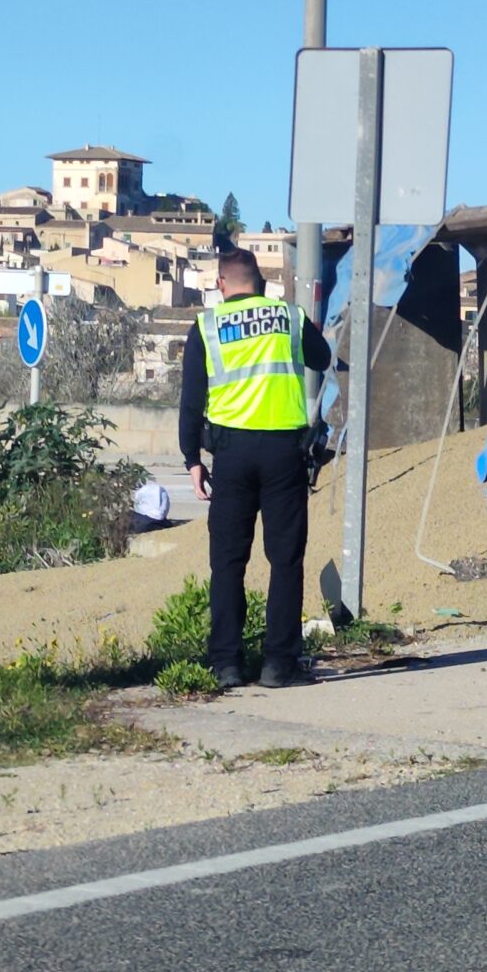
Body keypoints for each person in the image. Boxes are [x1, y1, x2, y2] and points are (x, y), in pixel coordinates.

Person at [180, 249, 333, 691]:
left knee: (228, 562)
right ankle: (278, 665)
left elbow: (191, 401)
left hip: (231, 456)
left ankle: (226, 663)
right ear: (260, 283)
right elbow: (321, 359)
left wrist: (192, 460)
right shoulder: (289, 316)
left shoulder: (206, 327)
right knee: (284, 560)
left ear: (221, 284)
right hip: (284, 454)